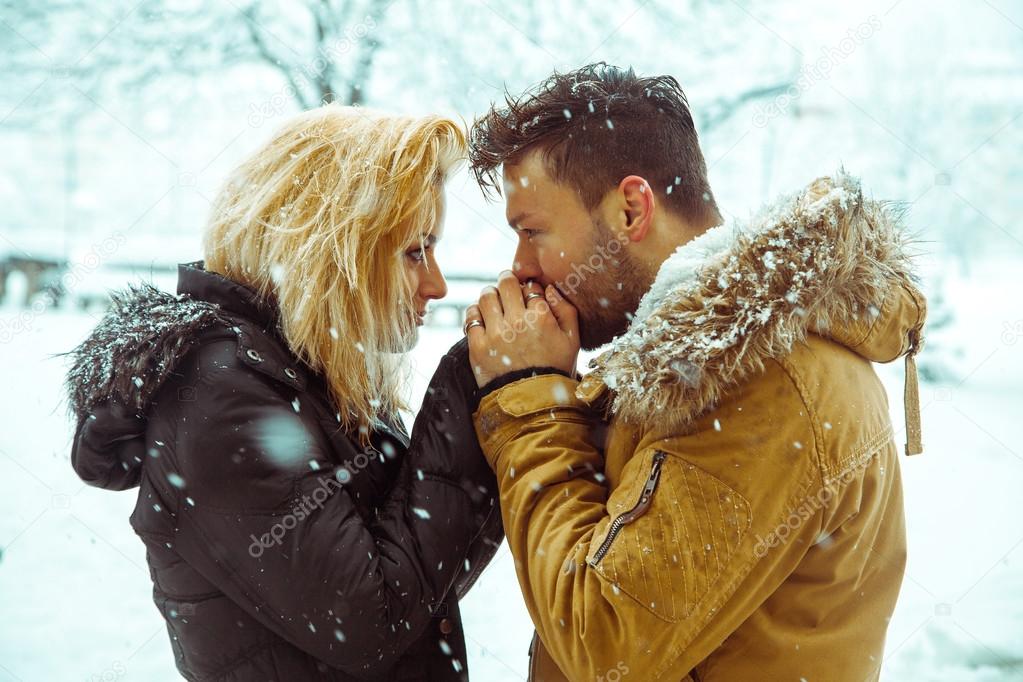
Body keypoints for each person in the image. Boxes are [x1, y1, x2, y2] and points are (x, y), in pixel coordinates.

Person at [460, 63, 927, 681]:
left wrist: (530, 404)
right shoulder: (698, 366)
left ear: (631, 210)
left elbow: (606, 645)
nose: (518, 267)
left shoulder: (762, 384)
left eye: (532, 231)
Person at [64, 104, 501, 681]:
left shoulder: (307, 373)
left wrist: (501, 419)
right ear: (330, 249)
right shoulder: (222, 398)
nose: (437, 285)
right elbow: (371, 622)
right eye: (414, 251)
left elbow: (423, 587)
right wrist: (463, 388)